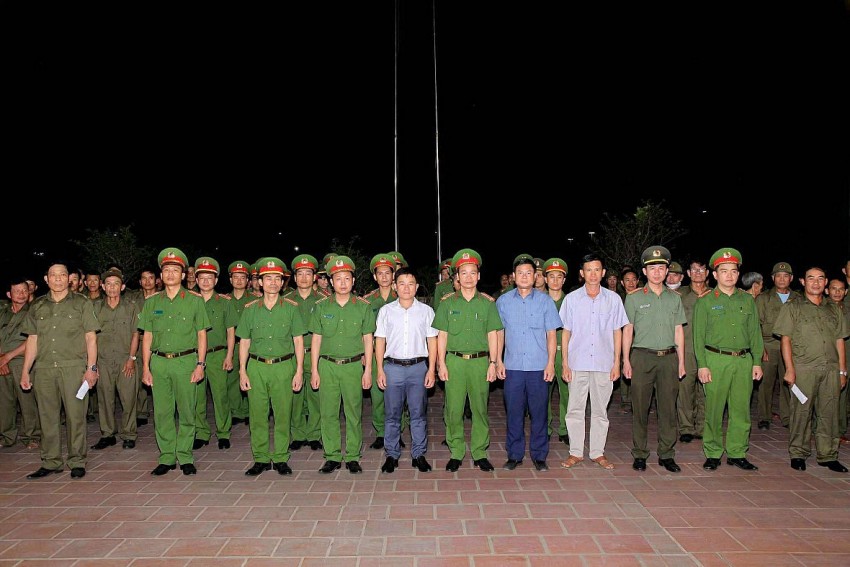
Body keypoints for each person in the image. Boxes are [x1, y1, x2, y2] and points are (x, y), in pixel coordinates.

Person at [20, 262, 100, 479]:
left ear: (69, 279)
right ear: (46, 279)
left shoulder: (81, 303)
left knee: (76, 416)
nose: (58, 279)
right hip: (45, 369)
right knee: (47, 417)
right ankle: (51, 461)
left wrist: (91, 368)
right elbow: (32, 340)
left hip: (73, 368)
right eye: (53, 275)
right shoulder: (37, 306)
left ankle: (77, 460)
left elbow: (91, 337)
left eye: (62, 275)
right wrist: (26, 370)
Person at [138, 248, 211, 476]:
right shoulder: (151, 302)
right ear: (161, 275)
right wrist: (146, 367)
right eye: (166, 270)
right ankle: (167, 456)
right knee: (162, 412)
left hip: (186, 362)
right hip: (159, 363)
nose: (170, 274)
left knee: (187, 411)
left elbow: (202, 334)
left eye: (175, 270)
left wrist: (200, 364)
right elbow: (147, 336)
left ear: (182, 275)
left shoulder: (194, 301)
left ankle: (186, 456)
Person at [692, 248, 764, 471]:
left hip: (742, 361)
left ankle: (737, 452)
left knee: (741, 410)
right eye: (724, 271)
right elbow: (698, 336)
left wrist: (757, 361)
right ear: (715, 275)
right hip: (716, 360)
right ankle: (713, 452)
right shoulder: (705, 302)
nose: (729, 275)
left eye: (733, 271)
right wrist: (702, 365)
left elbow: (755, 333)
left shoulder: (747, 300)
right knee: (713, 409)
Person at [433, 248, 503, 473]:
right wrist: (441, 363)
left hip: (479, 362)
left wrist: (493, 363)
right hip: (454, 362)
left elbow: (493, 334)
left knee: (480, 408)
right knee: (453, 409)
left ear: (479, 276)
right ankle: (456, 451)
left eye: (473, 272)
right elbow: (441, 335)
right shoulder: (446, 303)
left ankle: (480, 452)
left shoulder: (487, 303)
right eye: (464, 273)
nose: (468, 277)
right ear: (456, 277)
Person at [774, 266, 849, 473]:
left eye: (820, 279)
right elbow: (785, 340)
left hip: (830, 369)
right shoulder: (793, 307)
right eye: (811, 278)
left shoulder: (834, 309)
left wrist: (842, 371)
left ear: (825, 283)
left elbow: (840, 340)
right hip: (804, 368)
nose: (816, 282)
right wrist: (789, 369)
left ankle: (828, 455)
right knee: (802, 412)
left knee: (829, 413)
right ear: (802, 282)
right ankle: (798, 453)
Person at [559, 253, 629, 470]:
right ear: (582, 273)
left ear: (603, 273)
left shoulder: (613, 299)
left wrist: (616, 362)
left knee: (600, 411)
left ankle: (597, 452)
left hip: (603, 363)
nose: (593, 274)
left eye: (597, 269)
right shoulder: (571, 299)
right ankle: (576, 452)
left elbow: (618, 331)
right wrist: (565, 363)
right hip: (577, 362)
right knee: (575, 410)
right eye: (588, 270)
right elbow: (566, 332)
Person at [237, 257, 306, 476]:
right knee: (257, 416)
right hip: (256, 367)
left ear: (283, 282)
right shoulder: (250, 309)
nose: (273, 283)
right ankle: (260, 458)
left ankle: (281, 458)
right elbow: (244, 341)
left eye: (277, 279)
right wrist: (242, 370)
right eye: (268, 279)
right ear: (259, 282)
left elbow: (298, 341)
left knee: (283, 414)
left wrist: (298, 371)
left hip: (284, 366)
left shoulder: (291, 309)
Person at [622, 245, 686, 473]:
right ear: (644, 272)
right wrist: (625, 361)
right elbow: (627, 330)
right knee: (640, 408)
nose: (657, 272)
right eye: (652, 268)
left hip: (668, 358)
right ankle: (640, 453)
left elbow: (679, 330)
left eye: (661, 267)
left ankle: (666, 454)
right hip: (642, 358)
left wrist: (681, 361)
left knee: (668, 409)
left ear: (667, 270)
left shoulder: (674, 299)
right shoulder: (634, 298)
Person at [310, 255, 376, 474]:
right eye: (338, 279)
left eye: (347, 278)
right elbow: (316, 339)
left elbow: (369, 339)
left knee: (353, 413)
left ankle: (353, 456)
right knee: (328, 413)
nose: (343, 283)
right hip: (327, 366)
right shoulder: (320, 307)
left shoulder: (363, 307)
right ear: (330, 281)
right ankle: (332, 455)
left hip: (353, 366)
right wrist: (315, 370)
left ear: (353, 281)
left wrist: (368, 370)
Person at [495, 254, 561, 472]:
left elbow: (551, 334)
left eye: (529, 273)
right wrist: (497, 361)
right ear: (513, 277)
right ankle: (514, 455)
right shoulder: (503, 301)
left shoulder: (545, 302)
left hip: (538, 367)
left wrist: (551, 363)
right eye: (520, 273)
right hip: (513, 366)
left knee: (539, 413)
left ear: (535, 277)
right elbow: (499, 333)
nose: (524, 277)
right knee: (513, 413)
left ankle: (539, 455)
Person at [375, 267, 438, 473]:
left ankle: (418, 454)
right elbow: (380, 341)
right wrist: (379, 369)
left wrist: (432, 370)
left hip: (418, 368)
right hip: (392, 368)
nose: (406, 288)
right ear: (394, 286)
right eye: (401, 283)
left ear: (417, 287)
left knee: (418, 414)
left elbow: (432, 342)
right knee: (392, 415)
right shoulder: (386, 311)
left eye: (411, 284)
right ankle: (391, 455)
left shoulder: (427, 311)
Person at [90, 268, 141, 451]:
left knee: (128, 399)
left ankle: (129, 434)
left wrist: (131, 358)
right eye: (109, 284)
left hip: (124, 359)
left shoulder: (131, 306)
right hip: (102, 360)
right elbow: (91, 337)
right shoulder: (95, 308)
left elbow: (136, 334)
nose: (112, 287)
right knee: (105, 399)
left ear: (123, 286)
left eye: (116, 284)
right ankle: (107, 434)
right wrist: (93, 363)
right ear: (103, 286)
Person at [192, 257, 238, 451]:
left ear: (216, 280)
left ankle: (223, 433)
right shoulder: (190, 302)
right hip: (194, 356)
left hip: (217, 354)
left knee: (220, 396)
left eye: (209, 278)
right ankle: (201, 432)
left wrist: (229, 355)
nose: (205, 281)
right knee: (197, 396)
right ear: (196, 280)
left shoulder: (224, 303)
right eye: (201, 277)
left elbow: (230, 331)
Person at [285, 254, 325, 452]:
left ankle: (315, 434)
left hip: (315, 353)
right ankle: (298, 434)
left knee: (316, 396)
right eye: (300, 273)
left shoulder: (323, 301)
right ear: (294, 277)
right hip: (292, 355)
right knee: (295, 396)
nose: (303, 278)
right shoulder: (285, 301)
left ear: (314, 277)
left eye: (308, 273)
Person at [755, 262, 799, 430]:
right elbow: (755, 325)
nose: (782, 279)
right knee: (765, 384)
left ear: (791, 278)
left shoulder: (798, 299)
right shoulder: (764, 298)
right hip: (769, 345)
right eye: (778, 276)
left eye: (786, 276)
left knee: (788, 382)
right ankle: (764, 417)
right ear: (773, 278)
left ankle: (787, 417)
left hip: (792, 347)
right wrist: (760, 348)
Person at [362, 253, 398, 450]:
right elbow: (363, 331)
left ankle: (397, 432)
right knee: (377, 396)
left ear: (393, 275)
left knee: (397, 396)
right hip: (376, 354)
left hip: (397, 355)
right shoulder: (368, 301)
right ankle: (380, 432)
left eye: (387, 273)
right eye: (380, 273)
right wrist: (363, 355)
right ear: (375, 277)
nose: (384, 277)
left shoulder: (402, 296)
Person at [0, 276, 41, 450]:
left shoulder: (34, 311)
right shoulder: (3, 311)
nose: (22, 294)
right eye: (17, 291)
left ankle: (32, 436)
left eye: (25, 290)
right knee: (4, 402)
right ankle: (6, 436)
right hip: (1, 361)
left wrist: (8, 357)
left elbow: (33, 340)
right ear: (9, 294)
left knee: (27, 401)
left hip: (22, 361)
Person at [676, 258, 712, 444]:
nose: (698, 273)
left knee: (705, 390)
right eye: (694, 270)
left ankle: (703, 427)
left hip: (709, 351)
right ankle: (686, 428)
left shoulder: (715, 295)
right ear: (688, 273)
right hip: (687, 349)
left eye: (702, 269)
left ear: (707, 273)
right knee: (685, 390)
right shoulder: (678, 295)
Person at [543, 257, 569, 444]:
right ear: (545, 279)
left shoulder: (572, 301)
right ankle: (545, 427)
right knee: (543, 394)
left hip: (566, 354)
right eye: (551, 276)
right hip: (543, 353)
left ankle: (565, 429)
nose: (555, 281)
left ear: (564, 280)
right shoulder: (539, 301)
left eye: (559, 277)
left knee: (567, 393)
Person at [226, 260, 253, 426]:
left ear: (248, 281)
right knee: (231, 380)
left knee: (249, 377)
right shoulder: (224, 299)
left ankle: (250, 410)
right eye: (236, 277)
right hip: (231, 345)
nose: (239, 281)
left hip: (249, 345)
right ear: (230, 280)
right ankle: (236, 411)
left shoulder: (255, 300)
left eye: (242, 277)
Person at [132, 267, 159, 428]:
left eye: (151, 278)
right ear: (140, 281)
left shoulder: (162, 298)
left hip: (157, 344)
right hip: (139, 343)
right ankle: (141, 411)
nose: (147, 281)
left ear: (157, 280)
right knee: (141, 375)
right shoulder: (133, 299)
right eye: (144, 278)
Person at [825, 278, 850, 443]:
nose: (837, 292)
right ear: (827, 290)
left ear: (846, 292)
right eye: (833, 288)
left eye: (841, 289)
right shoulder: (821, 307)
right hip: (828, 357)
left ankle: (840, 429)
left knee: (843, 394)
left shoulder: (847, 309)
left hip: (846, 356)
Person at [616, 267, 641, 412]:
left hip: (638, 340)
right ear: (622, 282)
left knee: (636, 370)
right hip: (621, 338)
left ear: (637, 281)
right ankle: (625, 399)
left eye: (633, 280)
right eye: (627, 280)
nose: (630, 283)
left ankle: (636, 400)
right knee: (623, 366)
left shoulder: (643, 297)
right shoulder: (618, 299)